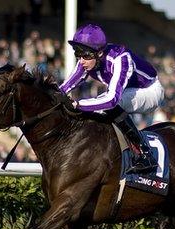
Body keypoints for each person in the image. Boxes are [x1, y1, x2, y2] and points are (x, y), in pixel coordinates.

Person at [59, 24, 164, 174]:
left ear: (99, 53)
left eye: (86, 56)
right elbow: (65, 87)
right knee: (97, 105)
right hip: (129, 90)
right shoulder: (87, 59)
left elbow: (112, 100)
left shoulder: (121, 58)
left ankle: (144, 153)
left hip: (150, 91)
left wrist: (78, 104)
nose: (81, 61)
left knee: (107, 104)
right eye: (78, 55)